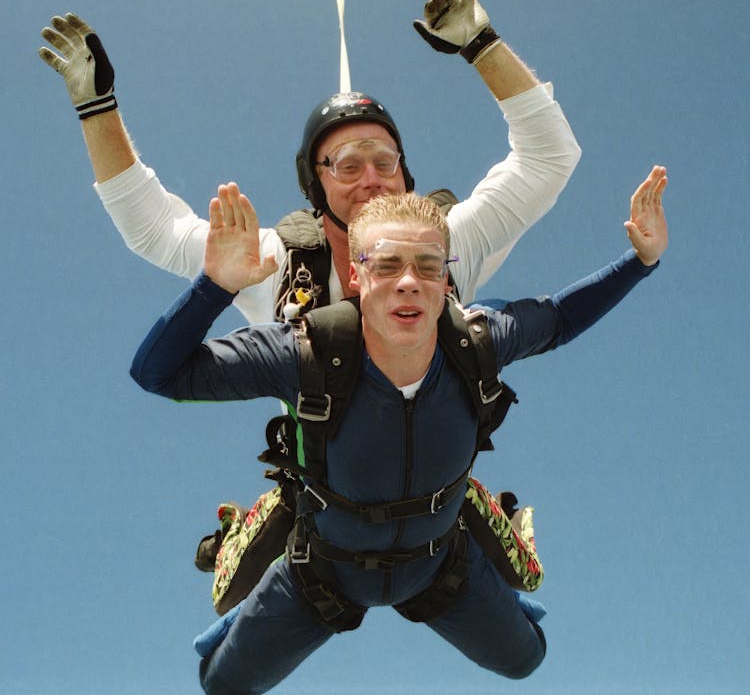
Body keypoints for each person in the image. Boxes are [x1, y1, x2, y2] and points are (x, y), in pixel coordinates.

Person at [130, 166, 669, 693]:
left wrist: (640, 261)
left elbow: (559, 319)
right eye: (387, 265)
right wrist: (214, 287)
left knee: (527, 658)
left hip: (439, 564)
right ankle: (252, 530)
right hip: (321, 572)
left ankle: (477, 510)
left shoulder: (479, 339)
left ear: (446, 278)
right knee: (220, 682)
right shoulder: (305, 353)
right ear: (358, 276)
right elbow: (156, 374)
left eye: (428, 265)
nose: (409, 282)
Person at [38, 0, 581, 320]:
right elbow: (152, 229)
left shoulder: (451, 242)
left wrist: (482, 46)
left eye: (385, 162)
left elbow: (550, 157)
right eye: (347, 165)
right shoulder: (270, 262)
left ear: (406, 177)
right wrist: (96, 108)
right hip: (316, 504)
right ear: (314, 184)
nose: (371, 177)